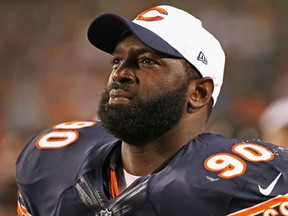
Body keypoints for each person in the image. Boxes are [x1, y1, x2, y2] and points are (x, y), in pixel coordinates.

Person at [16, 5, 288, 216]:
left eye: (146, 61)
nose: (120, 74)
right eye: (117, 59)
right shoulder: (54, 160)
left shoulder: (251, 183)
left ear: (199, 92)